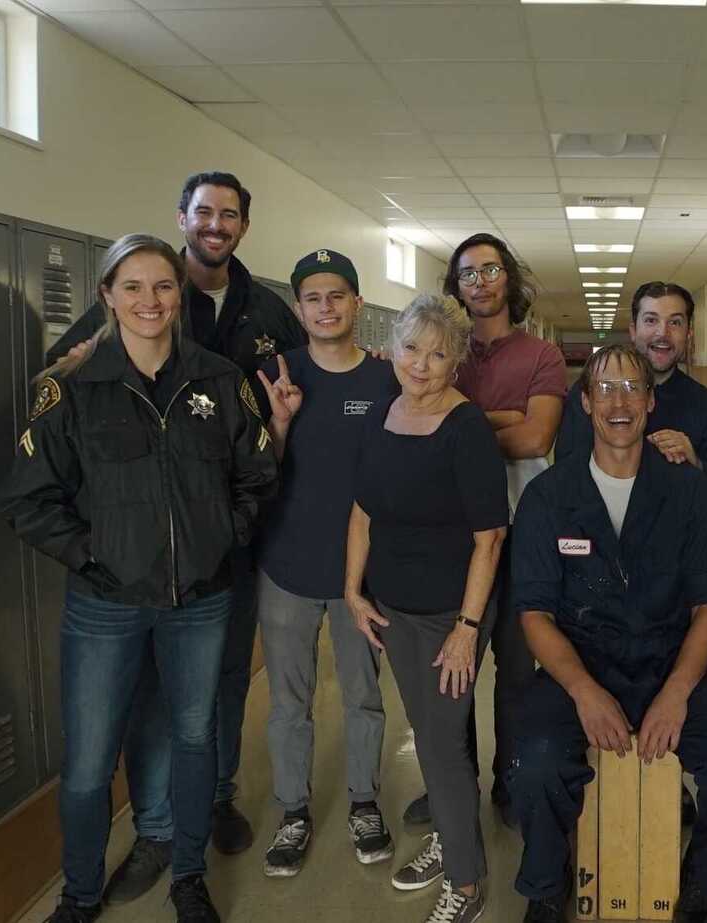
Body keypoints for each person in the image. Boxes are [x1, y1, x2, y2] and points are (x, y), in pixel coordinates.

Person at [0, 234, 278, 923]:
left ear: (179, 295)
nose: (149, 300)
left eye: (162, 286)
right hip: (104, 603)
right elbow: (28, 500)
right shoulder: (71, 390)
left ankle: (188, 875)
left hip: (201, 601)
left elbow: (258, 474)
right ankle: (80, 893)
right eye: (132, 286)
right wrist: (93, 555)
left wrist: (222, 538)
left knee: (193, 739)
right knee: (92, 762)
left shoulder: (220, 379)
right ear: (107, 297)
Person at [47, 172, 305, 899]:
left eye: (229, 214)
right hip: (127, 564)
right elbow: (61, 389)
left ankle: (211, 801)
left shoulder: (265, 312)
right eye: (204, 211)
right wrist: (91, 548)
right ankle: (157, 827)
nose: (215, 224)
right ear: (183, 219)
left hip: (219, 547)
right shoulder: (144, 293)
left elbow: (299, 390)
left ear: (244, 227)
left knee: (219, 684)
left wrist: (228, 531)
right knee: (148, 697)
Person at [508, 344, 707, 923]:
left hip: (669, 661)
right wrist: (582, 691)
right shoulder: (547, 498)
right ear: (584, 403)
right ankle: (548, 885)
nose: (619, 401)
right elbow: (535, 614)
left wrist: (677, 693)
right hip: (578, 663)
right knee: (535, 763)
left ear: (652, 403)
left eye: (633, 388)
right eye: (604, 388)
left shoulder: (687, 493)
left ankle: (700, 882)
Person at [345, 294, 508, 923]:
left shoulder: (466, 429)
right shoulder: (382, 415)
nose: (421, 364)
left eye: (439, 354)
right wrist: (355, 593)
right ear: (395, 347)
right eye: (412, 348)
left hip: (450, 615)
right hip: (392, 608)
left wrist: (467, 630)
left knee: (441, 746)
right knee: (435, 735)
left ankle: (465, 885)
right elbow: (361, 513)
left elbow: (488, 538)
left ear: (456, 363)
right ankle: (450, 831)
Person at [403, 233, 566, 828]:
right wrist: (501, 418)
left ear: (509, 280)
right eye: (467, 274)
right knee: (455, 667)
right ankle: (454, 782)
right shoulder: (441, 350)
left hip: (522, 532)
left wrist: (461, 425)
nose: (480, 282)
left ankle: (511, 780)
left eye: (490, 270)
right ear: (455, 286)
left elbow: (535, 439)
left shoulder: (541, 357)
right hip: (453, 536)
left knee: (518, 669)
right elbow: (419, 424)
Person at [250, 249, 400, 878]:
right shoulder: (273, 376)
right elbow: (253, 472)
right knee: (288, 702)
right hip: (286, 565)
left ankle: (364, 800)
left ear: (357, 305)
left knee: (364, 695)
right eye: (312, 298)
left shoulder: (388, 380)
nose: (326, 307)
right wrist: (280, 422)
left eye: (338, 296)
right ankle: (292, 811)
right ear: (298, 308)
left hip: (360, 576)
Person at [554, 281, 707, 491]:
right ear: (633, 330)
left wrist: (696, 462)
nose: (662, 333)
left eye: (675, 322)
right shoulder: (590, 395)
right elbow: (565, 472)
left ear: (688, 334)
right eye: (651, 320)